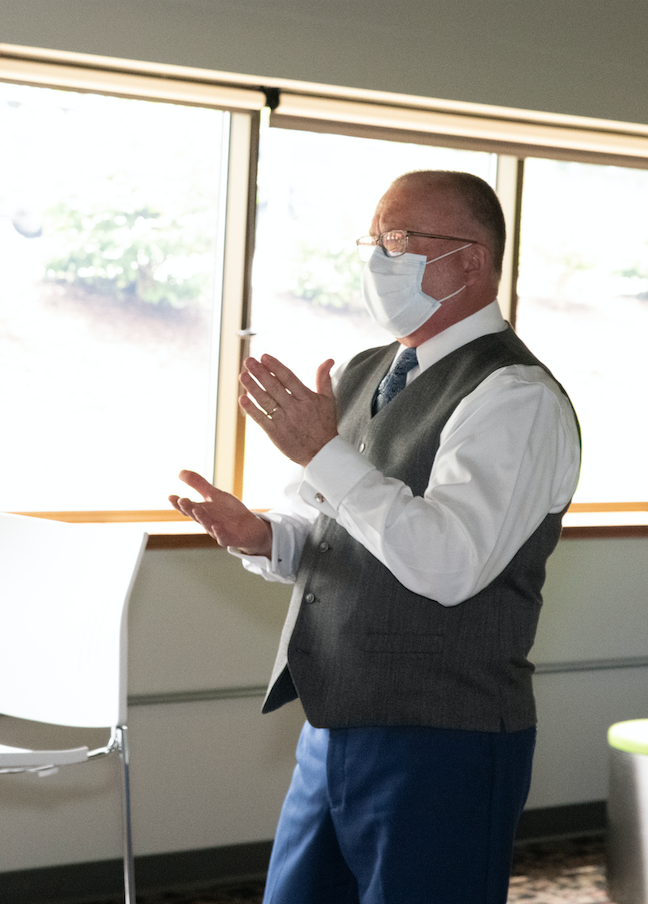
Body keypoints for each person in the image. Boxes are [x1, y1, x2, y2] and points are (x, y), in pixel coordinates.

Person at [170, 170, 581, 904]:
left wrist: (322, 454)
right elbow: (331, 533)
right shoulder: (367, 372)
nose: (376, 260)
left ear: (469, 261)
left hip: (444, 739)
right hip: (331, 724)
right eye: (373, 240)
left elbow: (449, 564)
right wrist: (262, 534)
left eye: (397, 240)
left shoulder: (514, 397)